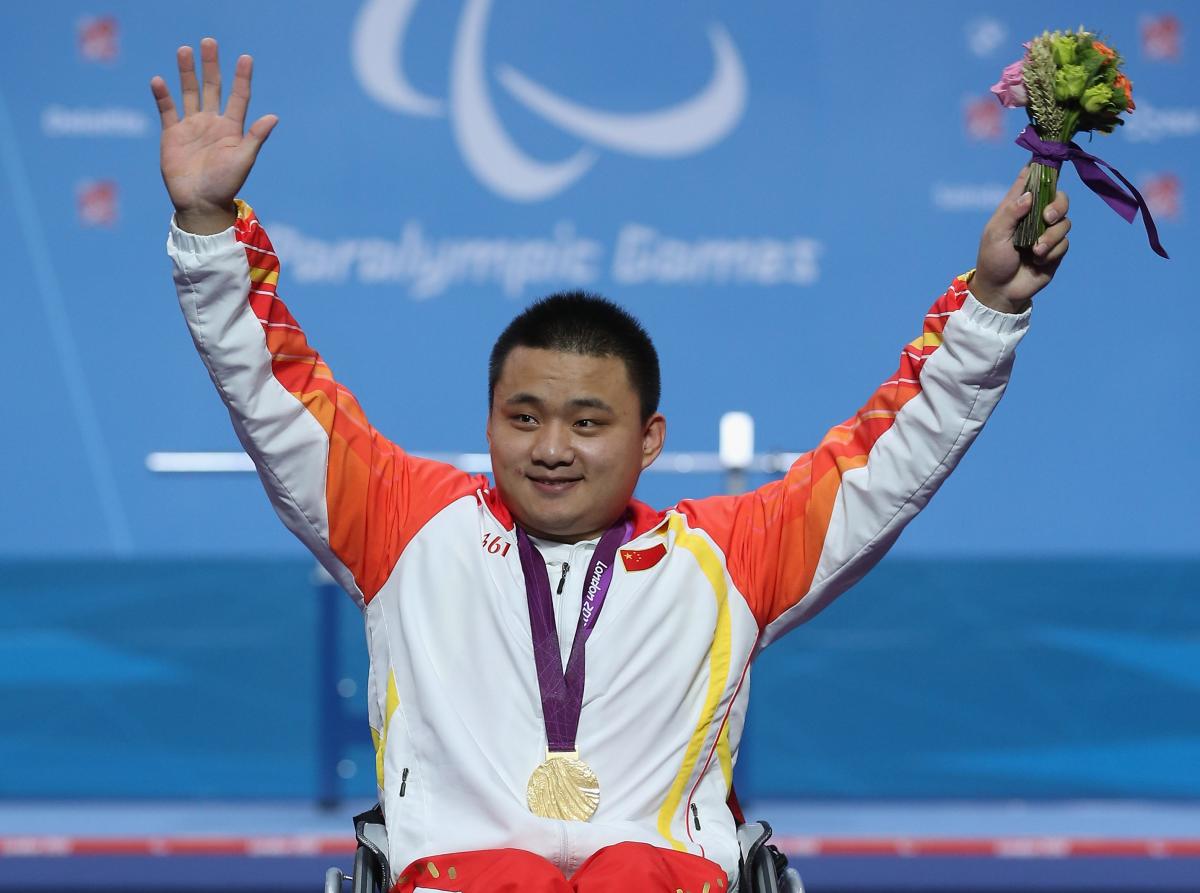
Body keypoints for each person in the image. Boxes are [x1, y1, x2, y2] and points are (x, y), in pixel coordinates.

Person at [154, 38, 1070, 893]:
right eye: (524, 417)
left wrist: (988, 303)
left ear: (649, 440)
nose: (552, 448)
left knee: (635, 867)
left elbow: (891, 453)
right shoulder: (402, 522)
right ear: (490, 422)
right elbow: (275, 388)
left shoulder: (729, 559)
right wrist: (206, 226)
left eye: (588, 422)